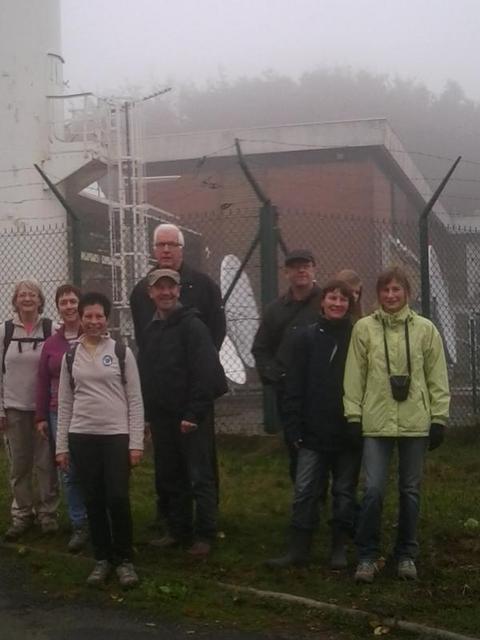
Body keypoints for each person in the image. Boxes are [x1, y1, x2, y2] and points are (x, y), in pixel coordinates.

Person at [344, 266, 450, 583]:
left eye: (397, 290)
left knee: (410, 490)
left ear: (407, 293)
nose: (391, 295)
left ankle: (406, 554)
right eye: (386, 290)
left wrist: (439, 418)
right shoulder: (363, 329)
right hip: (376, 422)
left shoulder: (425, 330)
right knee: (373, 489)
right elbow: (354, 376)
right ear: (378, 294)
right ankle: (367, 555)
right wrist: (353, 415)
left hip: (415, 422)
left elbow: (437, 376)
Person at [130, 223, 226, 528]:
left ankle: (206, 524)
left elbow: (215, 335)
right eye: (161, 245)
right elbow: (144, 342)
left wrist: (197, 376)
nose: (166, 250)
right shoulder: (139, 293)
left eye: (172, 244)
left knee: (200, 462)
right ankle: (170, 515)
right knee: (167, 461)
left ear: (182, 249)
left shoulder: (205, 286)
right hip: (162, 395)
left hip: (195, 392)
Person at [266, 280, 361, 569]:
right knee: (305, 489)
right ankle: (299, 548)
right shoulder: (304, 339)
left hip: (348, 432)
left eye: (343, 299)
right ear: (322, 301)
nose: (337, 304)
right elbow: (293, 386)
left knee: (344, 492)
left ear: (350, 305)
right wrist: (293, 427)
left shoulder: (358, 337)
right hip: (311, 433)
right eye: (332, 298)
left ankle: (339, 547)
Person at [56, 292, 144, 588]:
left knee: (117, 498)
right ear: (80, 319)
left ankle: (124, 560)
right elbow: (65, 403)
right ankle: (102, 559)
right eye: (88, 316)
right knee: (93, 499)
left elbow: (135, 400)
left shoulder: (121, 352)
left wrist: (135, 443)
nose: (94, 321)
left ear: (107, 319)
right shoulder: (71, 355)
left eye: (99, 316)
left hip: (116, 437)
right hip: (82, 437)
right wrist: (62, 446)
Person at [252, 249, 321, 481]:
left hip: (323, 390)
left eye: (306, 265)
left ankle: (324, 498)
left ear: (314, 269)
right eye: (295, 266)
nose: (301, 270)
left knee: (325, 447)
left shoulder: (328, 302)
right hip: (290, 393)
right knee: (296, 447)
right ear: (286, 272)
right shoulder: (275, 309)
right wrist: (273, 375)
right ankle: (303, 502)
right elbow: (260, 348)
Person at [0, 279, 58, 541]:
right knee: (19, 465)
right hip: (13, 409)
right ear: (15, 300)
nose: (27, 299)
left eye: (32, 294)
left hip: (42, 411)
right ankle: (22, 513)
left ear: (40, 299)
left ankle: (48, 514)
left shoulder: (50, 329)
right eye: (22, 294)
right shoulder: (5, 332)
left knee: (45, 464)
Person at [35, 284, 88, 552]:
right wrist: (41, 416)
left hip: (91, 412)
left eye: (73, 301)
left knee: (93, 467)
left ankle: (99, 518)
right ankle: (79, 523)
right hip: (59, 413)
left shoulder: (93, 335)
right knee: (68, 469)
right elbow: (42, 380)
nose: (69, 306)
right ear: (57, 307)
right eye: (63, 302)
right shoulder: (51, 344)